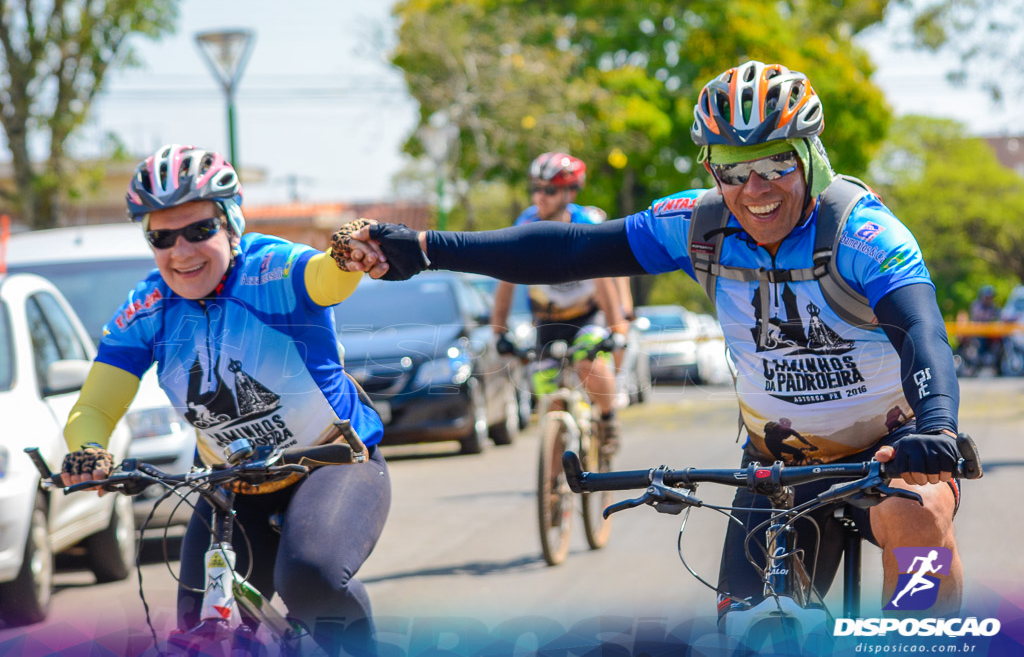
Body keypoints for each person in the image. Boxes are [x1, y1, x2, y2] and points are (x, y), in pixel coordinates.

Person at [338, 60, 965, 618]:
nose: (755, 188)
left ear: (810, 154)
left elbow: (921, 331)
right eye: (732, 169)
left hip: (893, 452)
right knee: (746, 628)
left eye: (776, 161)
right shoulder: (701, 226)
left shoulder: (863, 232)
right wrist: (424, 250)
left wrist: (935, 426)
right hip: (780, 458)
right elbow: (573, 248)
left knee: (916, 519)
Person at [57, 144, 390, 655]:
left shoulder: (272, 268)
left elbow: (325, 280)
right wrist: (89, 450)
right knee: (199, 629)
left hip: (333, 460)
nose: (181, 251)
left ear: (231, 223)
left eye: (198, 230)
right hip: (232, 486)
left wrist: (348, 255)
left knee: (310, 578)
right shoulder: (148, 306)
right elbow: (95, 406)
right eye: (161, 238)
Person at [492, 152, 626, 452]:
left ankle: (608, 419)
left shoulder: (587, 224)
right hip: (547, 321)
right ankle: (555, 486)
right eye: (536, 188)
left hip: (587, 315)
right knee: (548, 399)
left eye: (549, 190)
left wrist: (618, 330)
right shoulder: (524, 225)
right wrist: (499, 333)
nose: (540, 196)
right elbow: (505, 281)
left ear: (570, 192)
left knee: (588, 362)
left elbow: (606, 282)